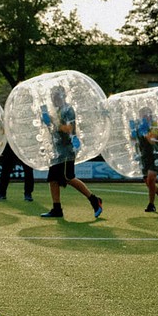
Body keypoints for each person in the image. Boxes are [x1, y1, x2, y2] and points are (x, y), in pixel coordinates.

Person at [40, 86, 102, 218]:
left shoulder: (68, 110)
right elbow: (54, 130)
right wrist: (46, 120)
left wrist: (53, 121)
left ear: (62, 96)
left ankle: (94, 200)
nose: (54, 98)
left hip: (67, 150)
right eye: (52, 96)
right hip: (57, 151)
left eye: (56, 96)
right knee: (53, 179)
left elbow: (69, 129)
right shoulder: (57, 111)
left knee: (68, 177)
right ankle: (57, 209)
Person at [132, 107, 158, 212]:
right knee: (148, 182)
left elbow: (153, 141)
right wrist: (132, 133)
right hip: (144, 157)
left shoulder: (154, 125)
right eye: (142, 114)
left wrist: (145, 132)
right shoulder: (138, 126)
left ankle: (151, 205)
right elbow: (134, 141)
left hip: (155, 155)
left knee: (151, 179)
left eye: (146, 114)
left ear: (150, 115)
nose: (144, 116)